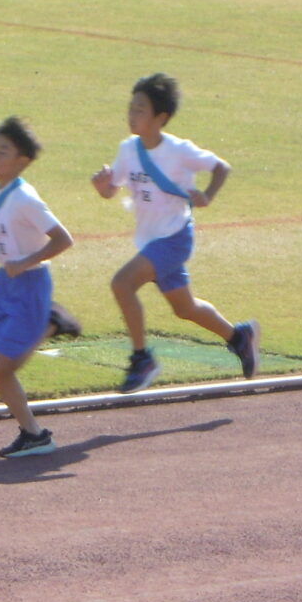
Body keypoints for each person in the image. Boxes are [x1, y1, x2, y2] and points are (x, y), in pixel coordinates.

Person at [89, 73, 258, 393]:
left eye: (140, 109)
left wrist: (207, 195)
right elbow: (112, 190)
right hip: (150, 240)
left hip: (174, 238)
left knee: (122, 284)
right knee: (185, 308)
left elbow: (221, 167)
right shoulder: (128, 149)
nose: (132, 114)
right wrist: (103, 188)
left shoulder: (179, 151)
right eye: (131, 107)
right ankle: (239, 337)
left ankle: (142, 359)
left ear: (160, 117)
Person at [0, 117, 74, 458]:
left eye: (3, 151)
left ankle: (35, 434)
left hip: (30, 284)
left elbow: (63, 239)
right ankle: (32, 434)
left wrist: (26, 262)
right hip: (3, 284)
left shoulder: (25, 198)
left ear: (22, 160)